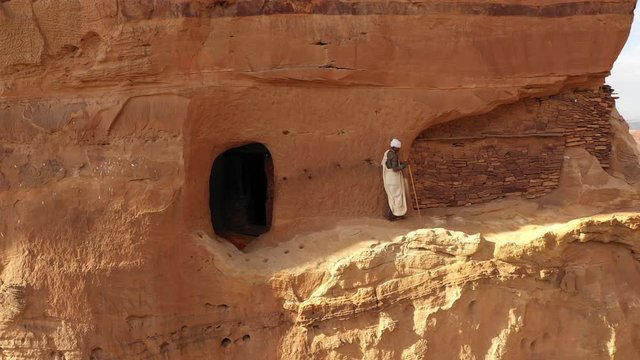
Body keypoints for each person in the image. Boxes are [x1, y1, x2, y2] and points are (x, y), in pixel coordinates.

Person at [381, 138, 408, 220]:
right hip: (394, 179)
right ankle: (395, 214)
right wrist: (404, 165)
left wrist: (402, 163)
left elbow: (390, 165)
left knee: (392, 197)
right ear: (395, 147)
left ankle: (394, 214)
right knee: (397, 196)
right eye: (398, 148)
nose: (399, 149)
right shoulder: (394, 155)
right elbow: (395, 169)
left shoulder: (387, 153)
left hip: (388, 177)